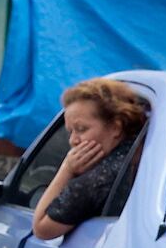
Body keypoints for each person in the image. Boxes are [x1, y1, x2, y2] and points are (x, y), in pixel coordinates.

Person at [32, 77, 148, 239]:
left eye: (81, 129)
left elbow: (41, 228)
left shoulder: (96, 181)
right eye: (70, 132)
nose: (73, 140)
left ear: (116, 127)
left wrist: (67, 168)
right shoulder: (148, 153)